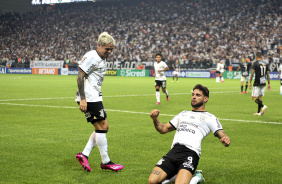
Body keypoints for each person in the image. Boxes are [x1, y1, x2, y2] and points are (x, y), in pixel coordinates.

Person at [148, 84, 231, 184]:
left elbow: (221, 133)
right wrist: (155, 119)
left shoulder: (210, 117)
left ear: (205, 99)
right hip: (174, 152)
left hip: (190, 153)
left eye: (198, 95)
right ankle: (179, 174)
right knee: (152, 181)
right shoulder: (183, 114)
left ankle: (196, 178)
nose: (194, 97)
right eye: (193, 94)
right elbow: (163, 129)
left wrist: (225, 139)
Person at [75, 32, 123, 172]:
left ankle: (84, 154)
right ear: (99, 45)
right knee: (102, 127)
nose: (109, 52)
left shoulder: (101, 58)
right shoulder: (91, 56)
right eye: (107, 49)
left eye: (111, 49)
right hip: (89, 97)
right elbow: (79, 76)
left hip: (95, 96)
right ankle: (105, 161)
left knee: (104, 127)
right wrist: (83, 98)